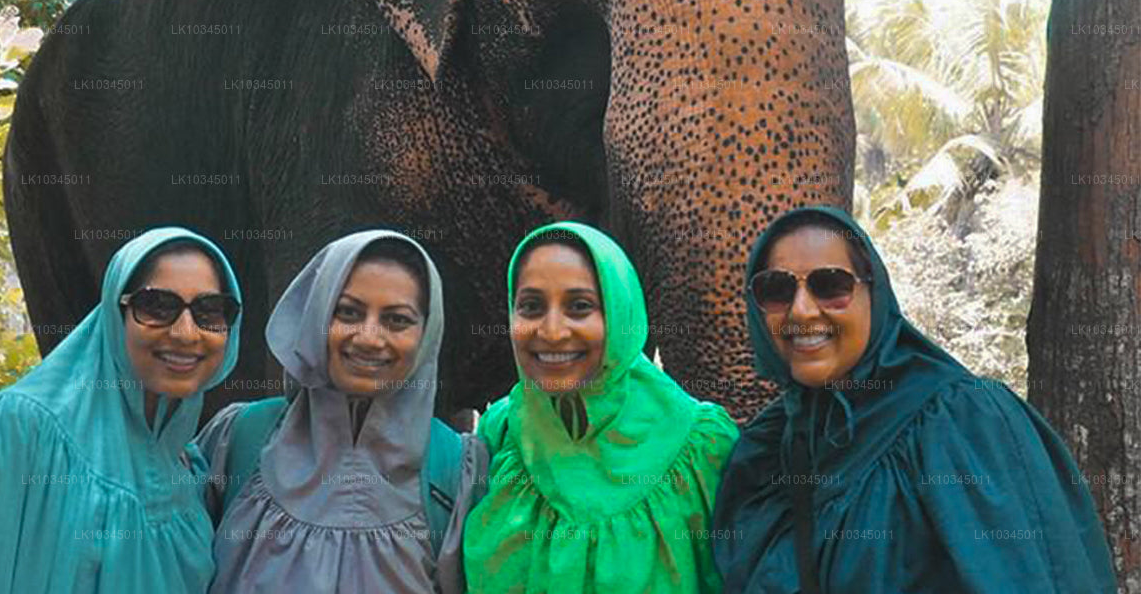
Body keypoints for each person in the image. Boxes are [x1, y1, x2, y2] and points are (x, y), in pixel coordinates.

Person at [712, 206, 1118, 593]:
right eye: (777, 289)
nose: (801, 311)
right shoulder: (768, 448)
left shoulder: (962, 421)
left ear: (875, 293)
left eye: (831, 285)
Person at [0, 227, 243, 593]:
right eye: (158, 306)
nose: (185, 332)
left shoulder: (187, 465)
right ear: (115, 315)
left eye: (210, 310)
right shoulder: (18, 429)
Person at [194, 230, 487, 593]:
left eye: (397, 320)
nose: (368, 338)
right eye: (348, 312)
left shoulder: (457, 472)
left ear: (427, 333)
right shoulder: (238, 440)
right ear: (317, 316)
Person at [464, 222, 740, 593]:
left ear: (621, 312)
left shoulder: (702, 447)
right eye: (531, 307)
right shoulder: (501, 433)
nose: (552, 331)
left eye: (579, 307)